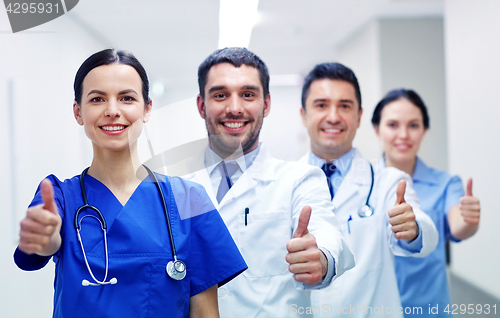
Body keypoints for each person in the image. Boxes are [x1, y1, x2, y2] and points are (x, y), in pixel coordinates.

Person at [13, 49, 247, 318]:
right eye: (97, 99)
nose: (113, 111)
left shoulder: (189, 199)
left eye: (126, 98)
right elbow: (43, 245)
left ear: (147, 109)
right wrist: (43, 237)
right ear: (78, 112)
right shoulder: (60, 196)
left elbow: (205, 313)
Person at [164, 47, 354, 318]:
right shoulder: (173, 189)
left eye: (248, 94)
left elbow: (327, 232)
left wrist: (321, 257)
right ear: (201, 105)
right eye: (220, 95)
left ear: (266, 104)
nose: (234, 108)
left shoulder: (299, 179)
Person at [298, 63, 439, 317]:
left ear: (359, 116)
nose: (333, 116)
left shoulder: (389, 182)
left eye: (344, 106)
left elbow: (426, 236)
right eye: (321, 105)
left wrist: (413, 228)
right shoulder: (284, 183)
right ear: (303, 114)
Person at [371, 88, 481, 317]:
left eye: (413, 125)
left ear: (424, 130)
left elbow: (458, 226)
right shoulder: (362, 185)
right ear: (376, 129)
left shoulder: (445, 183)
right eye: (392, 125)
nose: (403, 135)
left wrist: (469, 220)